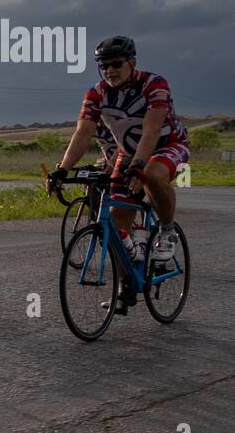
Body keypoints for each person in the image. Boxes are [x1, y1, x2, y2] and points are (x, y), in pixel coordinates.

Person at [47, 35, 188, 311]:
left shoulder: (153, 84)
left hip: (167, 144)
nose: (109, 70)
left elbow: (151, 129)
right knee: (116, 222)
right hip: (128, 152)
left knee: (153, 175)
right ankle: (128, 281)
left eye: (116, 64)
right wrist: (62, 170)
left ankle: (168, 232)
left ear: (132, 63)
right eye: (103, 65)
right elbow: (83, 132)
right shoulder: (96, 93)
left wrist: (139, 164)